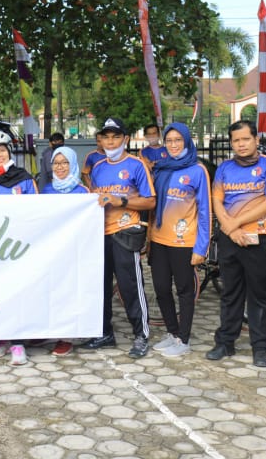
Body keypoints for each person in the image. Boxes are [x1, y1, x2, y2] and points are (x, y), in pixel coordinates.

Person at [206, 120, 266, 368]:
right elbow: (216, 199)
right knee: (230, 293)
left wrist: (234, 224)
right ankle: (225, 342)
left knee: (260, 296)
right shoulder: (224, 168)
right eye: (236, 140)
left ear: (256, 140)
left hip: (261, 238)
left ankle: (260, 347)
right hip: (230, 240)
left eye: (246, 139)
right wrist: (231, 229)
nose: (241, 144)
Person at [81, 117, 155, 359]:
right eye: (106, 137)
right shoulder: (98, 167)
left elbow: (150, 201)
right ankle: (104, 332)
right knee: (100, 287)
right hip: (100, 234)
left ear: (126, 139)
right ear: (101, 140)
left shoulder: (137, 165)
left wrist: (120, 201)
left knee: (130, 286)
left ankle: (141, 335)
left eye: (116, 136)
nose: (111, 141)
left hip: (125, 232)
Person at [149, 123, 211, 358]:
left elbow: (204, 211)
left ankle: (183, 339)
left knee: (184, 291)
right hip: (159, 239)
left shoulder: (197, 170)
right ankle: (172, 332)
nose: (173, 145)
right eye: (169, 140)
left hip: (184, 242)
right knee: (161, 288)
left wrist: (201, 247)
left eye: (178, 140)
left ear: (186, 141)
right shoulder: (161, 169)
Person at [0, 130, 36, 365]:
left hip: (19, 246)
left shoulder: (25, 179)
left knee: (17, 293)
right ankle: (2, 338)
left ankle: (18, 343)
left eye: (2, 150)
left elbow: (37, 211)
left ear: (9, 152)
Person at [39, 145, 90, 357]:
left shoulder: (83, 192)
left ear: (73, 164)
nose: (60, 167)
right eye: (56, 163)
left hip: (73, 251)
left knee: (69, 292)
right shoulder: (46, 190)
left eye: (65, 163)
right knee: (49, 290)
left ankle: (66, 337)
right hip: (52, 250)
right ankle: (46, 330)